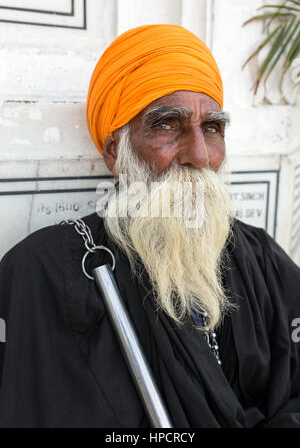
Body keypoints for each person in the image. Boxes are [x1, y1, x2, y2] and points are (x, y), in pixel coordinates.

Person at [0, 24, 299, 428]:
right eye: (166, 125)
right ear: (114, 151)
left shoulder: (258, 255)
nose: (198, 154)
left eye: (212, 128)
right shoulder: (50, 271)